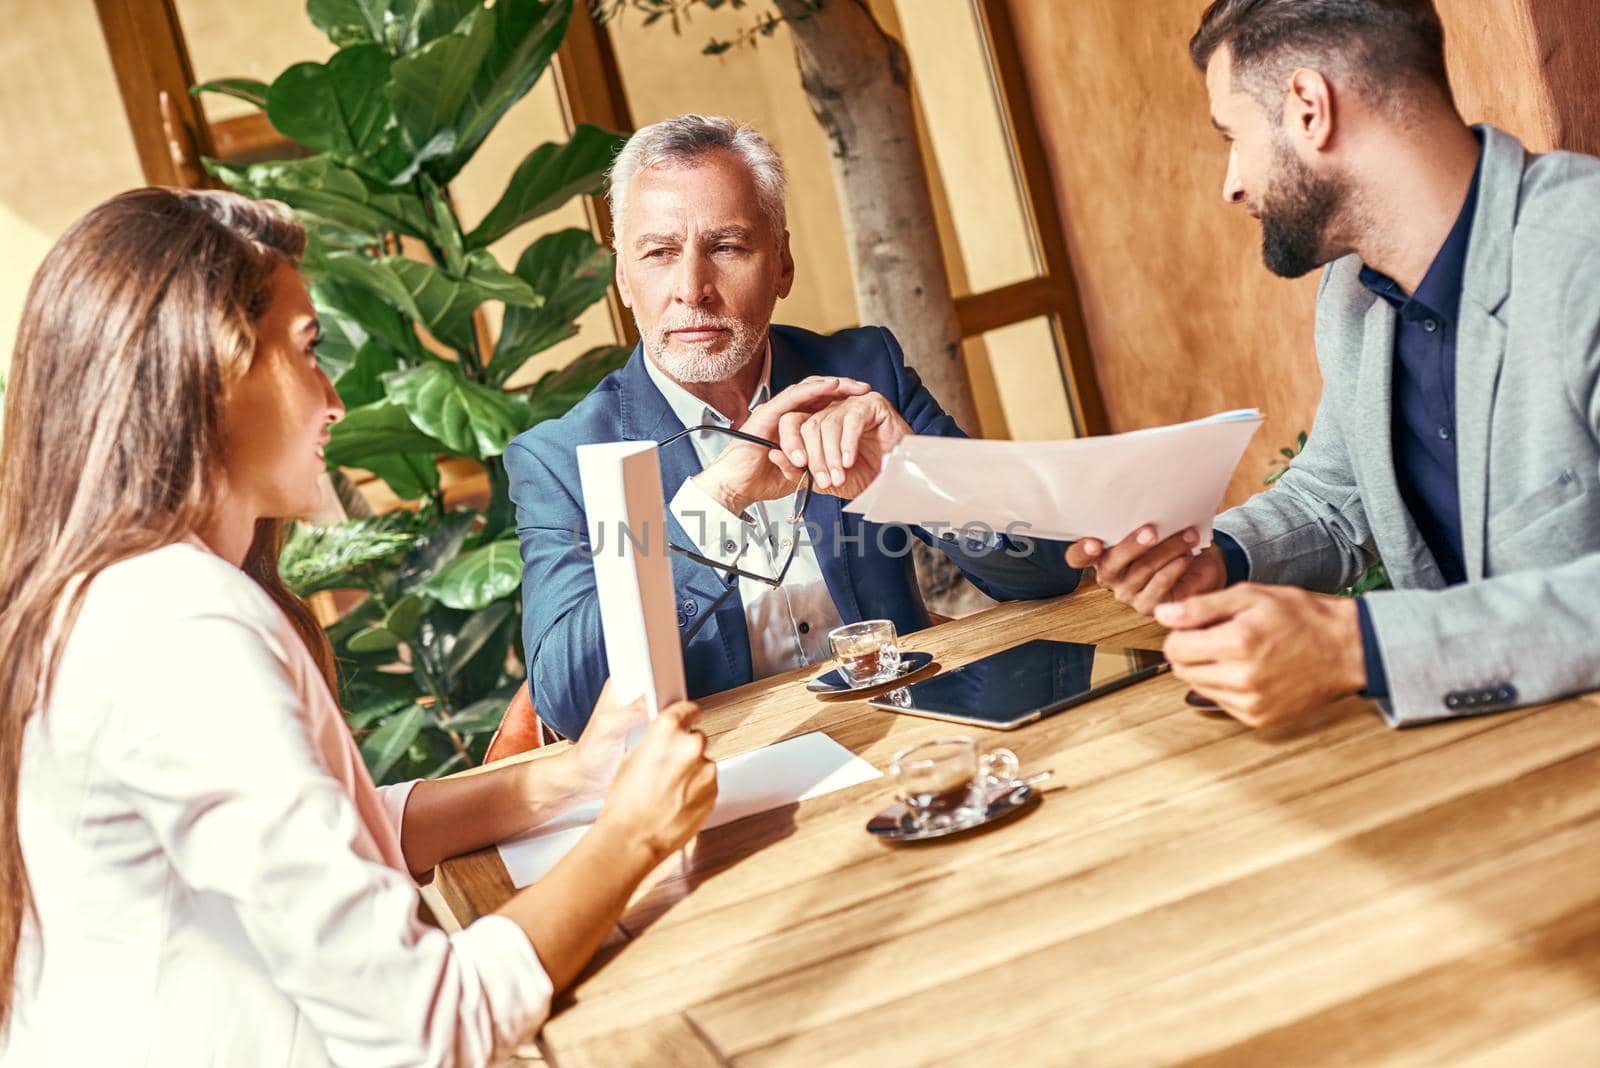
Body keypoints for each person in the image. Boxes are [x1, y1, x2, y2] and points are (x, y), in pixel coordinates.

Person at [0, 188, 717, 1067]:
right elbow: (430, 1027)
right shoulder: (180, 631)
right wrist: (631, 834)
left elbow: (335, 824)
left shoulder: (119, 601)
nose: (334, 400)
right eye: (309, 353)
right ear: (211, 370)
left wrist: (570, 776)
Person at [1067, 0, 1600, 727]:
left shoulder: (1584, 253)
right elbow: (1336, 497)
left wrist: (1362, 647)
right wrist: (1217, 554)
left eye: (1233, 136)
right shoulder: (1352, 295)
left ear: (1310, 108)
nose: (1230, 184)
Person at [505, 115, 1083, 739]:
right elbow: (568, 701)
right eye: (659, 253)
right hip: (724, 784)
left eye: (726, 247)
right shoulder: (561, 460)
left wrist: (917, 475)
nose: (693, 289)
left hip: (917, 739)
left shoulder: (862, 372)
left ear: (781, 263)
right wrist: (713, 503)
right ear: (622, 276)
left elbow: (1051, 567)